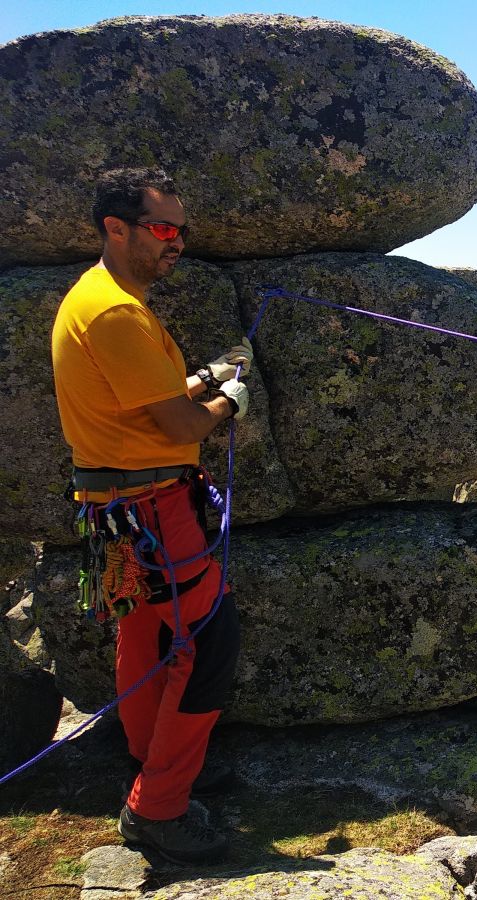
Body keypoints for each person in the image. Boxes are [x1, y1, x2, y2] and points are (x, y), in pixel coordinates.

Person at [51, 168, 251, 864]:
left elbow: (146, 398)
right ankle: (159, 806)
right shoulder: (115, 312)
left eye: (181, 230)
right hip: (153, 509)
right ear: (116, 227)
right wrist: (230, 401)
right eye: (163, 228)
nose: (177, 243)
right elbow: (178, 427)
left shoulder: (98, 298)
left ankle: (154, 760)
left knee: (142, 637)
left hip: (115, 509)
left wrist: (207, 375)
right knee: (209, 639)